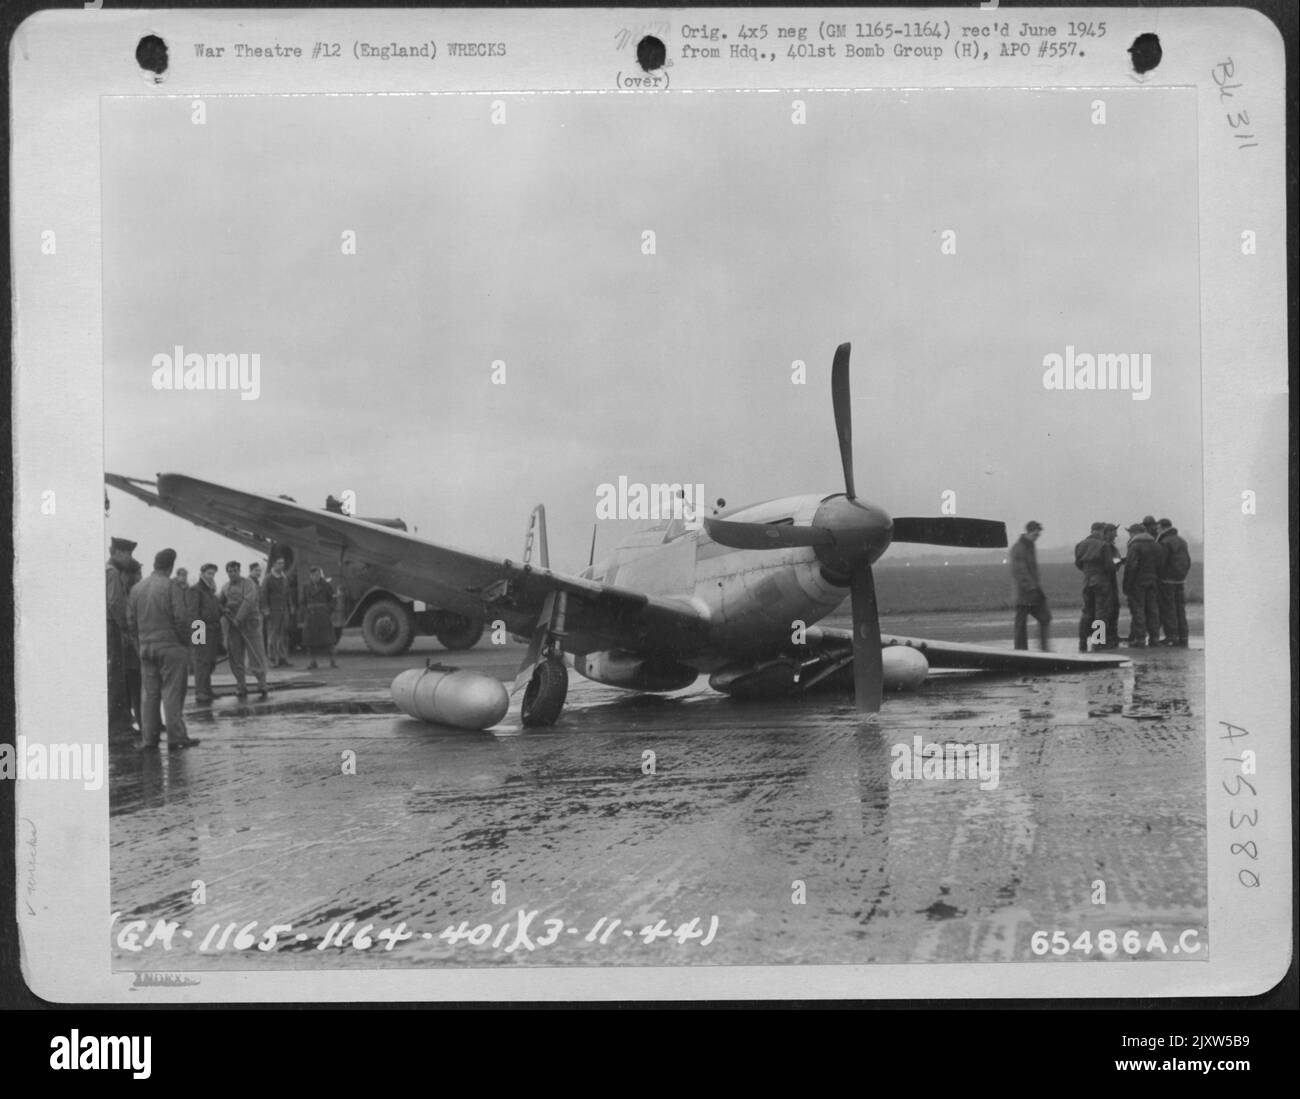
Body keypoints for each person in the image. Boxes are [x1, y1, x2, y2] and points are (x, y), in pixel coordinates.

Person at [126, 548, 199, 750]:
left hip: (145, 648)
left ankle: (149, 739)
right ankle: (176, 737)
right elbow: (182, 619)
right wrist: (188, 644)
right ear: (171, 566)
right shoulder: (172, 587)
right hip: (170, 647)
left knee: (149, 695)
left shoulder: (137, 589)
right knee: (172, 693)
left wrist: (139, 645)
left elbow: (130, 623)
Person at [222, 561, 269, 699]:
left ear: (239, 570)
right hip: (233, 626)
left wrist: (238, 618)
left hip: (250, 623)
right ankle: (241, 685)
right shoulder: (225, 587)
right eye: (230, 571)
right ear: (227, 572)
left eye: (235, 570)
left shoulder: (248, 584)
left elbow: (248, 601)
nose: (233, 573)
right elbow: (220, 601)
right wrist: (222, 608)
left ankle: (262, 683)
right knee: (235, 656)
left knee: (257, 654)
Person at [105, 537, 138, 737]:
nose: (129, 558)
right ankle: (117, 728)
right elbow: (115, 602)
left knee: (116, 675)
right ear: (117, 552)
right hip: (113, 627)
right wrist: (125, 628)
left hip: (110, 625)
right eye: (127, 554)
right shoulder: (113, 573)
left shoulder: (110, 571)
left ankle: (119, 724)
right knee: (116, 677)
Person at [1010, 521, 1051, 650]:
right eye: (1036, 533)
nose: (1038, 535)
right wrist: (1031, 588)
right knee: (1021, 624)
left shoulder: (1030, 546)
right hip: (1024, 594)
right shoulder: (1019, 548)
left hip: (1033, 592)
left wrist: (1036, 588)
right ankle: (1021, 651)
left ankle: (1043, 649)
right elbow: (1019, 571)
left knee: (1045, 618)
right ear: (1029, 531)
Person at [1075, 522, 1115, 652]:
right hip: (1101, 581)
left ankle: (1082, 641)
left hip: (1087, 581)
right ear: (1101, 531)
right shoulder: (1104, 545)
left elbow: (1078, 563)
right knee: (1100, 612)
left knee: (1086, 611)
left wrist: (1088, 572)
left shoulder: (1080, 545)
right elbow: (1109, 566)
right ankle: (1098, 642)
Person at [1121, 522, 1162, 647]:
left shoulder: (1134, 545)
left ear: (1135, 532)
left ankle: (1140, 639)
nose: (1129, 535)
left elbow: (1131, 566)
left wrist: (1127, 584)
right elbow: (1161, 564)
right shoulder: (1155, 544)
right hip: (1153, 581)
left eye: (1130, 532)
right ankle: (1154, 638)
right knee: (1153, 609)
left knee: (1138, 609)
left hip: (1138, 582)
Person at [190, 563, 225, 704]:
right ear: (202, 573)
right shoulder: (196, 590)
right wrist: (198, 635)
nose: (211, 576)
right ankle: (201, 692)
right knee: (201, 662)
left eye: (213, 573)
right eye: (209, 573)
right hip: (201, 629)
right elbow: (193, 613)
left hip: (212, 630)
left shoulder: (210, 591)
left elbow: (215, 607)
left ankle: (207, 689)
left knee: (210, 662)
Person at [1156, 518, 1191, 646]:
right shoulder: (1182, 541)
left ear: (1163, 528)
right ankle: (1183, 636)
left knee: (1168, 608)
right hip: (1180, 579)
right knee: (1180, 608)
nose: (1157, 530)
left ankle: (1171, 636)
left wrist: (1159, 575)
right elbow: (1188, 560)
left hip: (1166, 580)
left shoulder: (1164, 542)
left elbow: (1161, 562)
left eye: (1158, 528)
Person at [301, 567, 338, 669]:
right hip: (311, 617)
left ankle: (332, 661)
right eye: (313, 575)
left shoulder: (326, 586)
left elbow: (333, 600)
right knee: (310, 641)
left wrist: (328, 610)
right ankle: (313, 662)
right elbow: (303, 602)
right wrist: (306, 612)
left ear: (320, 575)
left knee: (329, 640)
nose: (315, 577)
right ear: (310, 576)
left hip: (323, 616)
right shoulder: (306, 587)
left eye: (317, 575)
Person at [262, 556, 294, 667]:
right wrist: (266, 610)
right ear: (274, 564)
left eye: (283, 563)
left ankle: (282, 658)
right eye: (279, 563)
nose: (282, 565)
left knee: (283, 635)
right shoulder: (268, 579)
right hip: (273, 611)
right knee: (272, 635)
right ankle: (272, 659)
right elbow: (264, 595)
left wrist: (291, 607)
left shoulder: (284, 578)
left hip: (283, 610)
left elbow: (287, 594)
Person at [1102, 523, 1123, 648]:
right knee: (1104, 610)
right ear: (1108, 532)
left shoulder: (1109, 546)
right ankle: (1101, 638)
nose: (1116, 534)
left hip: (1109, 580)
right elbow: (1111, 564)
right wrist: (1119, 561)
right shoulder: (1105, 546)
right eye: (1114, 531)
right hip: (1106, 580)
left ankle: (1111, 636)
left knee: (1114, 607)